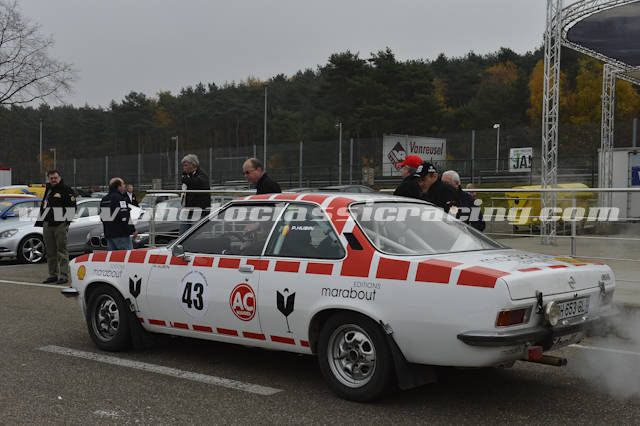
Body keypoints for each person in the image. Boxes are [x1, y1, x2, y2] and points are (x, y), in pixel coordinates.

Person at [35, 170, 77, 284]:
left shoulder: (66, 190)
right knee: (50, 252)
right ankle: (52, 275)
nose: (53, 180)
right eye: (51, 178)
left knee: (62, 251)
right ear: (48, 179)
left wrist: (66, 223)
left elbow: (72, 207)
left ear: (59, 177)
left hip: (60, 225)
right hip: (47, 224)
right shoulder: (48, 189)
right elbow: (44, 206)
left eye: (55, 178)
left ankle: (63, 276)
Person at [101, 178, 138, 251]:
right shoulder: (120, 198)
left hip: (109, 235)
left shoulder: (105, 199)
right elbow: (124, 216)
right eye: (123, 184)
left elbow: (104, 218)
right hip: (121, 234)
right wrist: (132, 230)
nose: (124, 186)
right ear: (119, 186)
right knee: (127, 256)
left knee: (113, 257)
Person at [181, 154, 210, 234]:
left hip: (199, 212)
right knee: (182, 234)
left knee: (195, 235)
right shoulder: (187, 175)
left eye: (186, 165)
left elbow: (196, 182)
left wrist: (185, 179)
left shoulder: (202, 175)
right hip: (188, 210)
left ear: (193, 165)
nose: (184, 167)